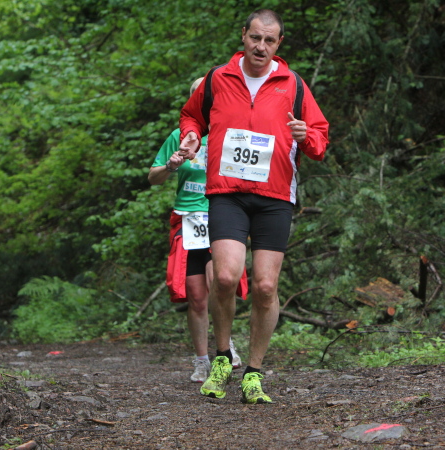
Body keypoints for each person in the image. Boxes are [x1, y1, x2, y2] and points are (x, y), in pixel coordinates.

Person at [179, 9, 329, 404]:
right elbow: (191, 116)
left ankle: (254, 373)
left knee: (264, 286)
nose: (261, 47)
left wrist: (306, 135)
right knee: (226, 277)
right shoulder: (217, 78)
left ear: (279, 44)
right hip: (227, 192)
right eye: (255, 38)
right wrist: (192, 136)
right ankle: (223, 358)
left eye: (269, 40)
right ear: (243, 36)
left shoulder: (293, 85)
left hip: (274, 197)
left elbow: (319, 141)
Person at [149, 78, 247, 383]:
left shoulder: (229, 133)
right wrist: (171, 165)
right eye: (199, 96)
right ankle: (202, 360)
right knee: (196, 296)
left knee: (219, 281)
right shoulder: (179, 137)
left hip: (221, 214)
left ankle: (226, 346)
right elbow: (153, 177)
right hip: (188, 219)